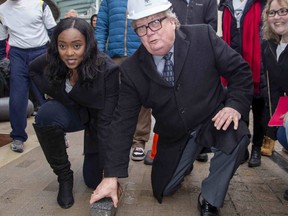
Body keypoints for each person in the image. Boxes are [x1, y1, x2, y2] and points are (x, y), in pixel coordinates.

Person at [90, 0, 253, 215]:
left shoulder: (203, 37)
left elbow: (240, 71)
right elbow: (122, 122)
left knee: (236, 134)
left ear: (172, 21)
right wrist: (110, 176)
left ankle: (210, 196)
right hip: (175, 135)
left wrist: (234, 106)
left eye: (155, 22)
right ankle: (186, 161)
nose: (149, 33)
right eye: (141, 27)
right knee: (164, 189)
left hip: (212, 120)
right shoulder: (131, 70)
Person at [29, 17, 119, 209]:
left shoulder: (107, 69)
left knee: (93, 180)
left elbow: (106, 123)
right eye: (63, 46)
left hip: (98, 121)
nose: (69, 53)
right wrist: (60, 97)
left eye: (77, 46)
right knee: (45, 114)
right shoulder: (54, 59)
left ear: (88, 45)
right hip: (74, 113)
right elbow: (33, 71)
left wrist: (110, 175)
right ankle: (64, 177)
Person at [144, 0, 219, 165]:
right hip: (173, 53)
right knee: (175, 100)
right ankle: (178, 147)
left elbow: (212, 24)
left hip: (199, 54)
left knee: (198, 99)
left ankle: (200, 146)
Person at [95, 0, 151, 161]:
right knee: (114, 99)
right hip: (114, 56)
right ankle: (117, 140)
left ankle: (139, 141)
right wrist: (97, 52)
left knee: (143, 99)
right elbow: (101, 26)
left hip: (140, 53)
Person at [0, 0, 56, 153]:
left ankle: (57, 131)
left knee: (46, 96)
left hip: (41, 52)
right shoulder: (2, 10)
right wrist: (2, 60)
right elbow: (1, 39)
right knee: (17, 98)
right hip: (17, 55)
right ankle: (18, 136)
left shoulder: (40, 4)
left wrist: (55, 55)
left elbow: (53, 32)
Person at [219, 0, 268, 167]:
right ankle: (243, 146)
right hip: (235, 64)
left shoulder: (262, 3)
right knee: (240, 107)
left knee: (260, 109)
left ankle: (257, 147)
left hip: (258, 63)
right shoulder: (226, 3)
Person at [261, 0, 288, 201]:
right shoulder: (271, 46)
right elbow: (274, 89)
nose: (277, 17)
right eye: (273, 12)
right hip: (284, 110)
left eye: (283, 11)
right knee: (283, 135)